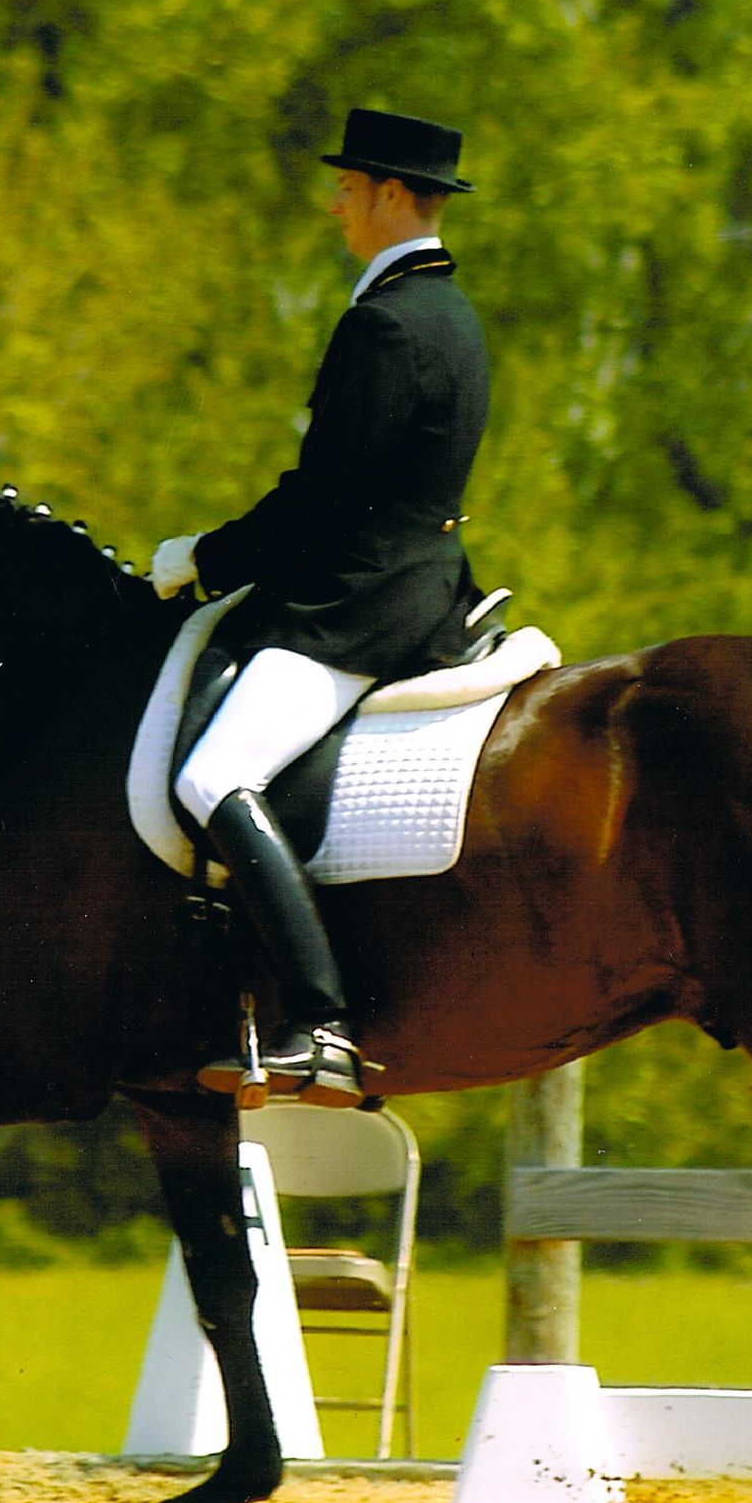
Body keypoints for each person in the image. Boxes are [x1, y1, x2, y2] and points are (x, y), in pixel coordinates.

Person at [151, 108, 490, 1108]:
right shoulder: (450, 312)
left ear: (391, 195)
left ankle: (322, 1027)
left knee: (212, 775)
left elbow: (323, 496)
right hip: (412, 580)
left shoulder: (385, 322)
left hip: (361, 606)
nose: (336, 202)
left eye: (348, 187)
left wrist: (205, 558)